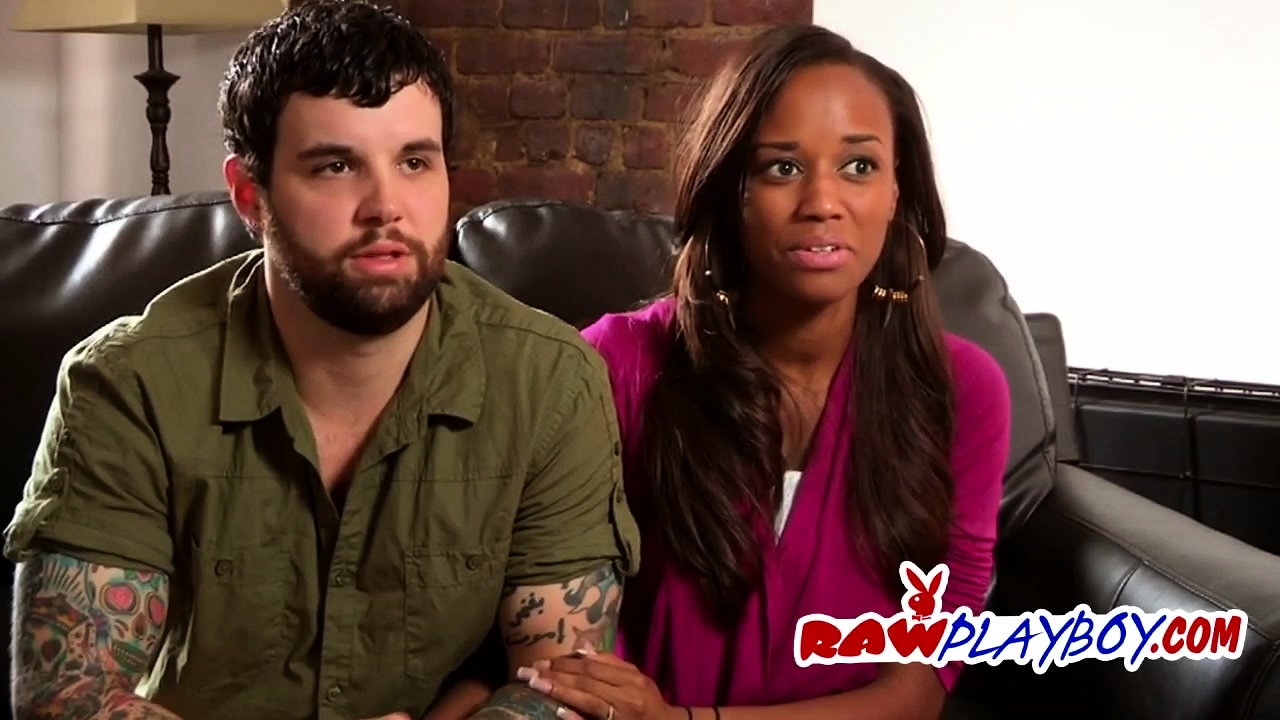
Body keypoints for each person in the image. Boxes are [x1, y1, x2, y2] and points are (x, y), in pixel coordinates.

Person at [3, 2, 638, 719]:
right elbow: (68, 700)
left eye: (414, 162)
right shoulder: (128, 385)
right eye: (336, 166)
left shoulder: (551, 384)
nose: (386, 206)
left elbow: (563, 688)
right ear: (250, 195)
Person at [517, 24, 1012, 720]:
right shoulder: (613, 365)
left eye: (859, 166)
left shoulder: (963, 391)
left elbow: (921, 688)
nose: (823, 202)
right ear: (730, 189)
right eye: (782, 167)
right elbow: (552, 624)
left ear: (897, 189)